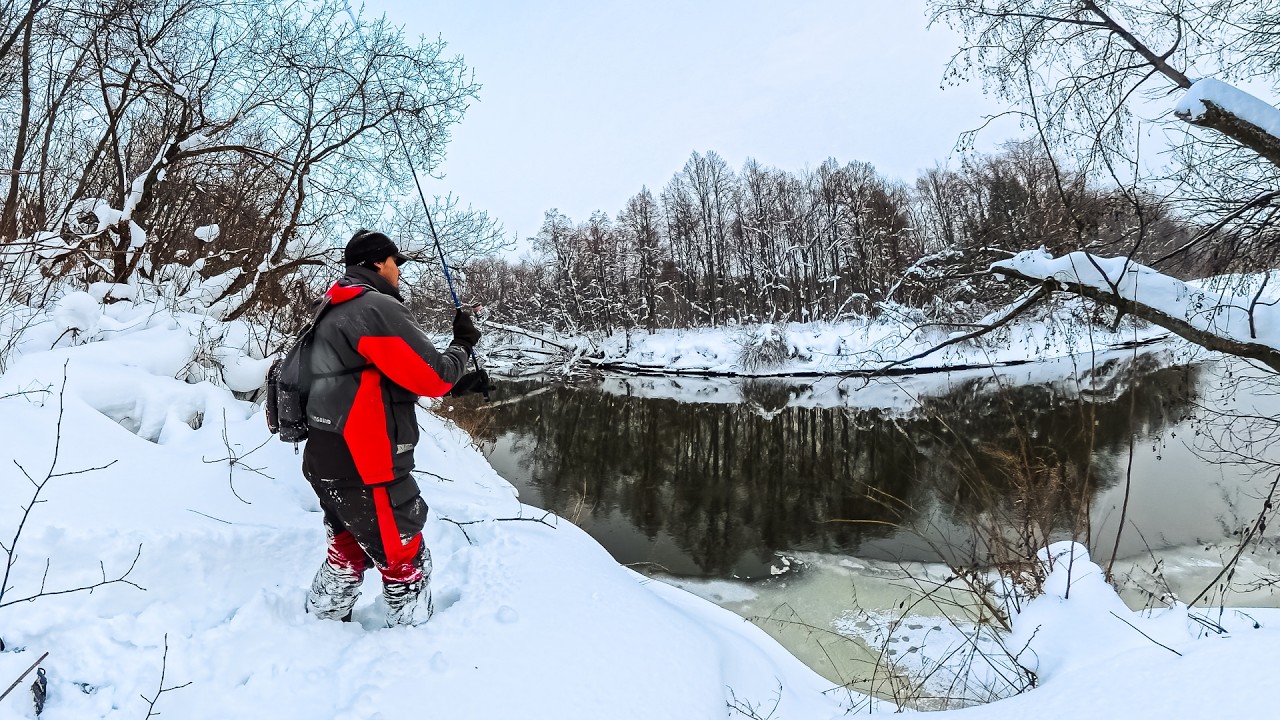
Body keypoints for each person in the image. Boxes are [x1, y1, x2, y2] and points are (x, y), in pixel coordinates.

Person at [301, 228, 483, 626]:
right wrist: (463, 344)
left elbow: (368, 374)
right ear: (377, 263)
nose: (399, 270)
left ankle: (319, 626)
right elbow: (434, 377)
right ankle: (410, 642)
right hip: (367, 463)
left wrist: (459, 382)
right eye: (394, 262)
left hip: (325, 455)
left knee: (346, 550)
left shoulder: (330, 305)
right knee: (405, 558)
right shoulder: (373, 307)